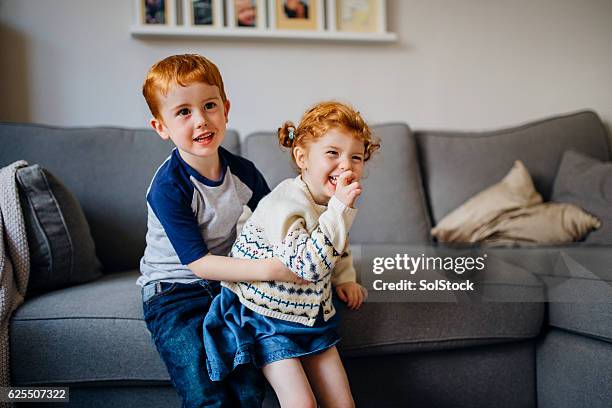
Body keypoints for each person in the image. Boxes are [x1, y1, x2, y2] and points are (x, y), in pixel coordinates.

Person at [138, 54, 305, 407]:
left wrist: (300, 253)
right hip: (173, 290)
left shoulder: (243, 172)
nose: (200, 120)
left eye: (209, 105)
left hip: (225, 285)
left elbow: (275, 223)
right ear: (161, 127)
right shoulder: (169, 187)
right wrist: (270, 270)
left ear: (225, 109)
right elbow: (199, 264)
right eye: (183, 112)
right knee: (204, 387)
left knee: (246, 383)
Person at [203, 101, 380, 407]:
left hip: (311, 317)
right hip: (267, 316)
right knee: (302, 403)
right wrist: (340, 209)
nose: (347, 166)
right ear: (302, 158)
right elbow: (307, 266)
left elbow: (338, 245)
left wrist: (345, 278)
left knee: (343, 402)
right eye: (333, 153)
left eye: (356, 157)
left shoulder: (330, 204)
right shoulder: (283, 205)